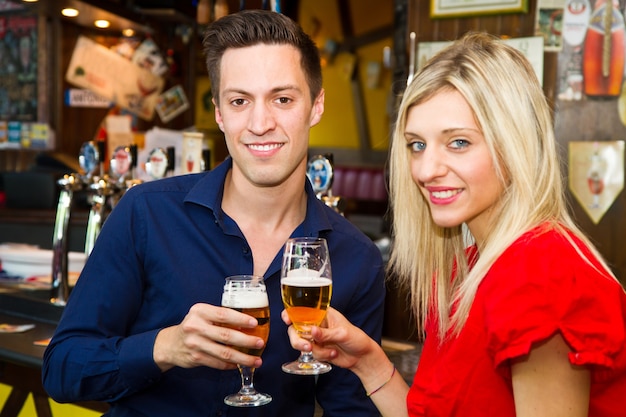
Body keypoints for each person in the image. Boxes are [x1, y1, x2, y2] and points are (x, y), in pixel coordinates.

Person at [42, 9, 385, 417]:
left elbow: (350, 407)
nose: (261, 123)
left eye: (283, 99)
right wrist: (165, 347)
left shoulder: (356, 259)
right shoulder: (146, 213)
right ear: (219, 113)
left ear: (316, 106)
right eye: (240, 101)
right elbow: (63, 368)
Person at [284, 32, 626, 417]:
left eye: (458, 142)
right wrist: (367, 360)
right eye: (417, 144)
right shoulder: (466, 268)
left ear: (515, 146)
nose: (427, 170)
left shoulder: (540, 272)